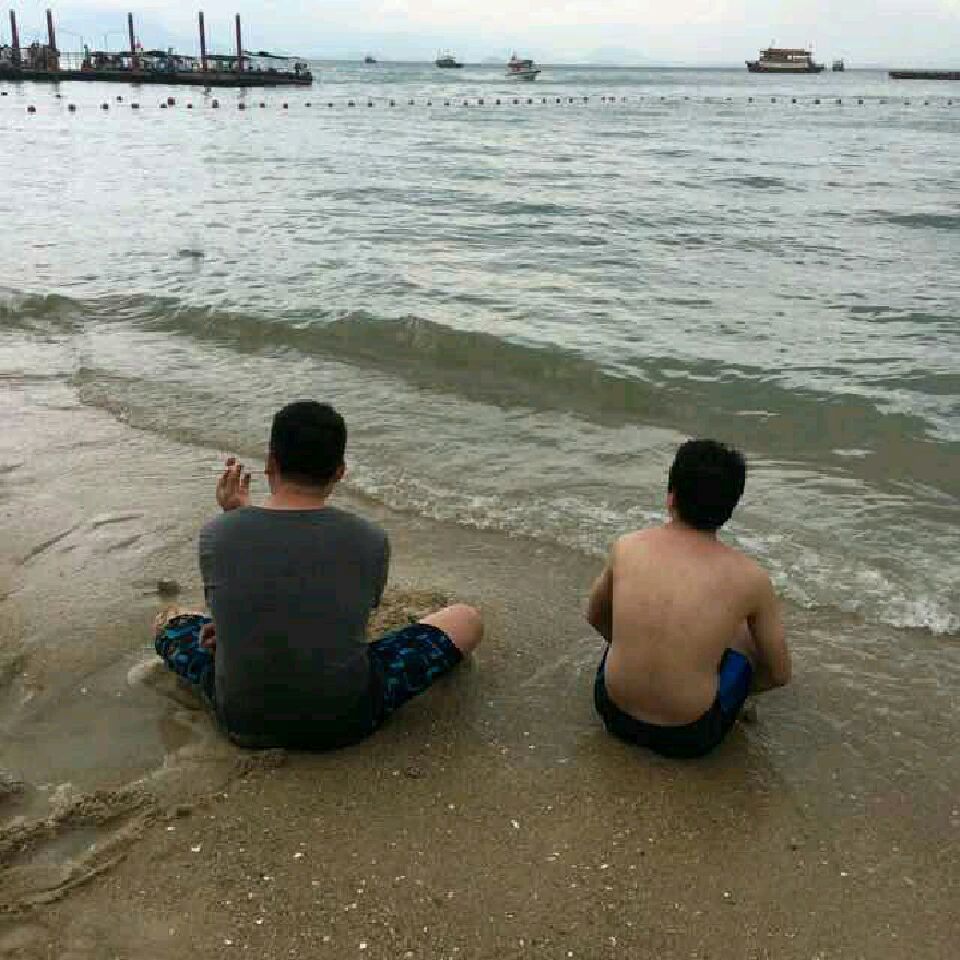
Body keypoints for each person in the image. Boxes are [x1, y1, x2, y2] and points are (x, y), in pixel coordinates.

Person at [155, 400, 483, 750]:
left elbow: (241, 598)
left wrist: (235, 514)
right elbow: (355, 611)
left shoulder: (217, 534)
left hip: (242, 719)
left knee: (170, 624)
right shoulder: (370, 539)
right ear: (340, 471)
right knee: (466, 619)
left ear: (271, 463)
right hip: (347, 719)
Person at [587, 439, 791, 759]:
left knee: (638, 618)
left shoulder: (628, 546)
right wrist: (739, 688)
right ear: (730, 510)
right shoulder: (750, 578)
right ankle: (734, 704)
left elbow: (595, 616)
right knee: (744, 637)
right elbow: (779, 674)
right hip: (690, 735)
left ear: (671, 496)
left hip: (612, 712)